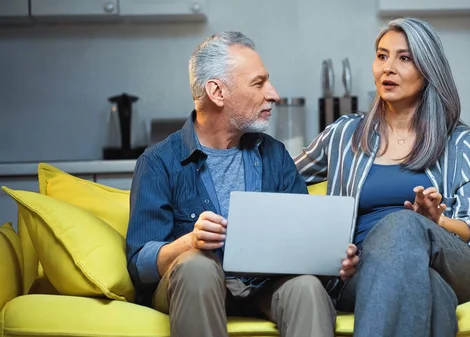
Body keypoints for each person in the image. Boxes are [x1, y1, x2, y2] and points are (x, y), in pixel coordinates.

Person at [125, 31, 359, 337]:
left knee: (307, 287)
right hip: (194, 286)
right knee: (198, 267)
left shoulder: (274, 154)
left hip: (265, 286)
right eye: (258, 83)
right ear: (217, 92)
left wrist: (333, 261)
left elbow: (304, 250)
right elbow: (140, 265)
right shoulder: (158, 162)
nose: (273, 94)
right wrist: (190, 243)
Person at [295, 18, 470, 337]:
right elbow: (281, 179)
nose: (388, 68)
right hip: (362, 270)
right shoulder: (345, 134)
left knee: (403, 223)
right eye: (382, 55)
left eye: (404, 58)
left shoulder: (461, 142)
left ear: (428, 69)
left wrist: (436, 222)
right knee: (430, 289)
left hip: (454, 262)